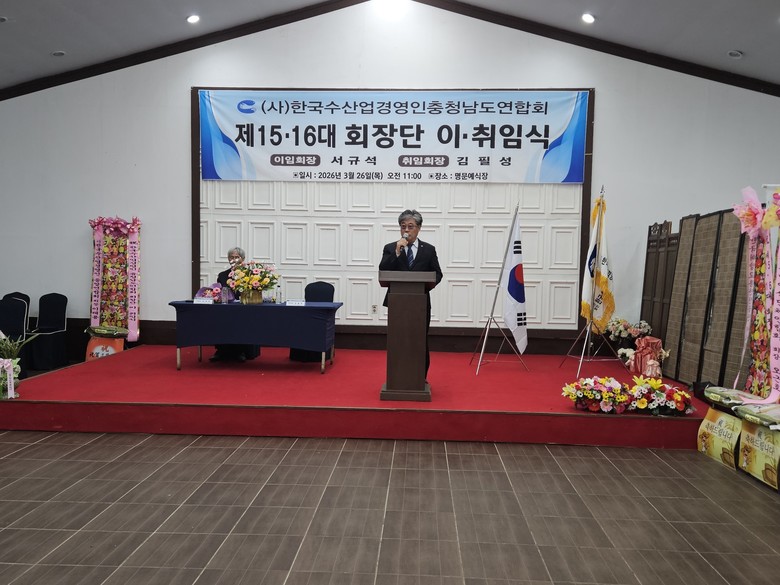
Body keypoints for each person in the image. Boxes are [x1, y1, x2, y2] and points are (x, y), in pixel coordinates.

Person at [379, 209, 443, 377]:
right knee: (398, 339)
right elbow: (383, 270)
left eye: (410, 226)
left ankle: (420, 377)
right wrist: (397, 252)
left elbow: (437, 274)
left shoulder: (428, 250)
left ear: (419, 228)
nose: (406, 230)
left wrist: (425, 286)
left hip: (421, 302)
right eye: (403, 226)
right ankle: (397, 377)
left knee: (420, 339)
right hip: (397, 303)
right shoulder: (390, 248)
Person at [210, 247, 259, 362]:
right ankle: (221, 351)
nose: (234, 259)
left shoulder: (250, 274)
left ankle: (240, 351)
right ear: (228, 259)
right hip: (226, 309)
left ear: (243, 259)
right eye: (231, 257)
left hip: (244, 309)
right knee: (219, 319)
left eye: (237, 257)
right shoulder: (222, 275)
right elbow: (219, 291)